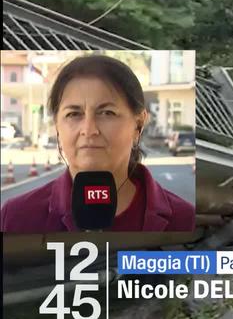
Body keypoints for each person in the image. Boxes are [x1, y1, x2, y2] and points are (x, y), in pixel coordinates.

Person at [0, 54, 194, 233]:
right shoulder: (15, 219)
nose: (89, 130)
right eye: (74, 114)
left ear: (138, 124)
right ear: (57, 125)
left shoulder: (184, 220)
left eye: (107, 113)